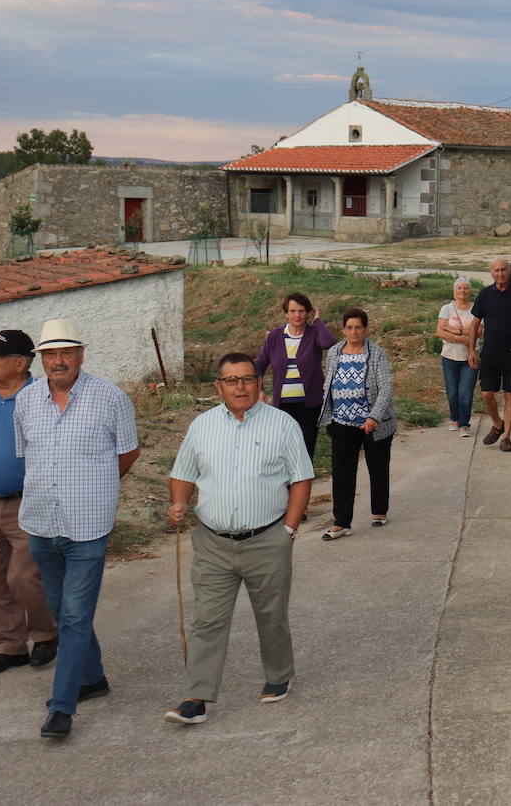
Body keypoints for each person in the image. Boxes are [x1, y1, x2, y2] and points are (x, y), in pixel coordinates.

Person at [164, 353, 314, 726]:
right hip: (213, 542)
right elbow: (183, 472)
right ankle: (196, 696)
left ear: (259, 383)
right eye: (231, 380)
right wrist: (180, 502)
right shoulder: (201, 426)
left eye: (246, 379)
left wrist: (289, 531)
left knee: (271, 615)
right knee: (207, 620)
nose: (240, 387)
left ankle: (279, 675)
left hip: (267, 539)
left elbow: (301, 478)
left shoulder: (283, 425)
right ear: (219, 387)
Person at [15, 319, 139, 739]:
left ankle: (62, 707)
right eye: (51, 354)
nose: (59, 361)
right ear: (42, 359)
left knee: (72, 615)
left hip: (88, 525)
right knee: (64, 612)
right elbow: (27, 456)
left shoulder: (110, 397)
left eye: (66, 352)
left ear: (81, 354)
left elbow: (128, 451)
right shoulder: (26, 400)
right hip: (41, 524)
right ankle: (93, 677)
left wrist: (96, 485)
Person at [0, 329, 57, 676]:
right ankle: (9, 646)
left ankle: (46, 633)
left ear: (20, 363)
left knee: (24, 576)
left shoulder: (40, 397)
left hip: (28, 501)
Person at [318, 309, 397, 538]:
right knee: (342, 472)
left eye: (358, 327)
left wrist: (373, 417)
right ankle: (342, 522)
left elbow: (386, 389)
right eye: (349, 327)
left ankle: (379, 511)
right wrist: (330, 415)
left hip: (373, 422)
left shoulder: (377, 354)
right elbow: (329, 384)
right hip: (341, 421)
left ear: (366, 329)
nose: (354, 332)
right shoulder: (334, 352)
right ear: (344, 330)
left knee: (378, 467)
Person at [255, 292, 338, 461]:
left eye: (301, 311)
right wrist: (259, 390)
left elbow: (329, 343)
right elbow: (259, 364)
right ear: (286, 313)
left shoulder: (314, 333)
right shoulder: (275, 336)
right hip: (283, 406)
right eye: (292, 311)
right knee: (283, 452)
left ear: (308, 312)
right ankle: (286, 487)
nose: (297, 315)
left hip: (309, 406)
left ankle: (302, 486)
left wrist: (317, 320)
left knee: (305, 452)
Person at [469, 258, 511, 453]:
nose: (500, 273)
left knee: (509, 395)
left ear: (510, 271)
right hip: (490, 353)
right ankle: (497, 424)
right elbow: (474, 324)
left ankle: (506, 437)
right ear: (492, 273)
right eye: (496, 270)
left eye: (504, 270)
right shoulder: (485, 294)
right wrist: (471, 350)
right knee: (487, 394)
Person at [437, 278, 478, 437]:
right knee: (452, 393)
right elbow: (440, 332)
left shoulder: (476, 308)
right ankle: (454, 418)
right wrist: (463, 335)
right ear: (454, 291)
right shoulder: (446, 308)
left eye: (466, 288)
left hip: (470, 356)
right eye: (459, 288)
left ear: (470, 291)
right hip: (449, 356)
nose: (462, 291)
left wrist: (452, 331)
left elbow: (480, 331)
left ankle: (464, 424)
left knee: (466, 394)